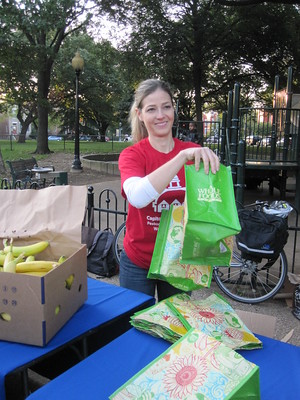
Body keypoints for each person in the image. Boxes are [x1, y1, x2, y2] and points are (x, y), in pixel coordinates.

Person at [118, 79, 220, 301]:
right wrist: (180, 158)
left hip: (178, 260)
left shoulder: (195, 152)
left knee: (174, 329)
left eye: (166, 106)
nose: (161, 115)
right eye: (151, 109)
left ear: (174, 109)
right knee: (134, 327)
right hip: (138, 261)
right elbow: (137, 197)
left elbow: (210, 203)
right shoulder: (133, 155)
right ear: (140, 114)